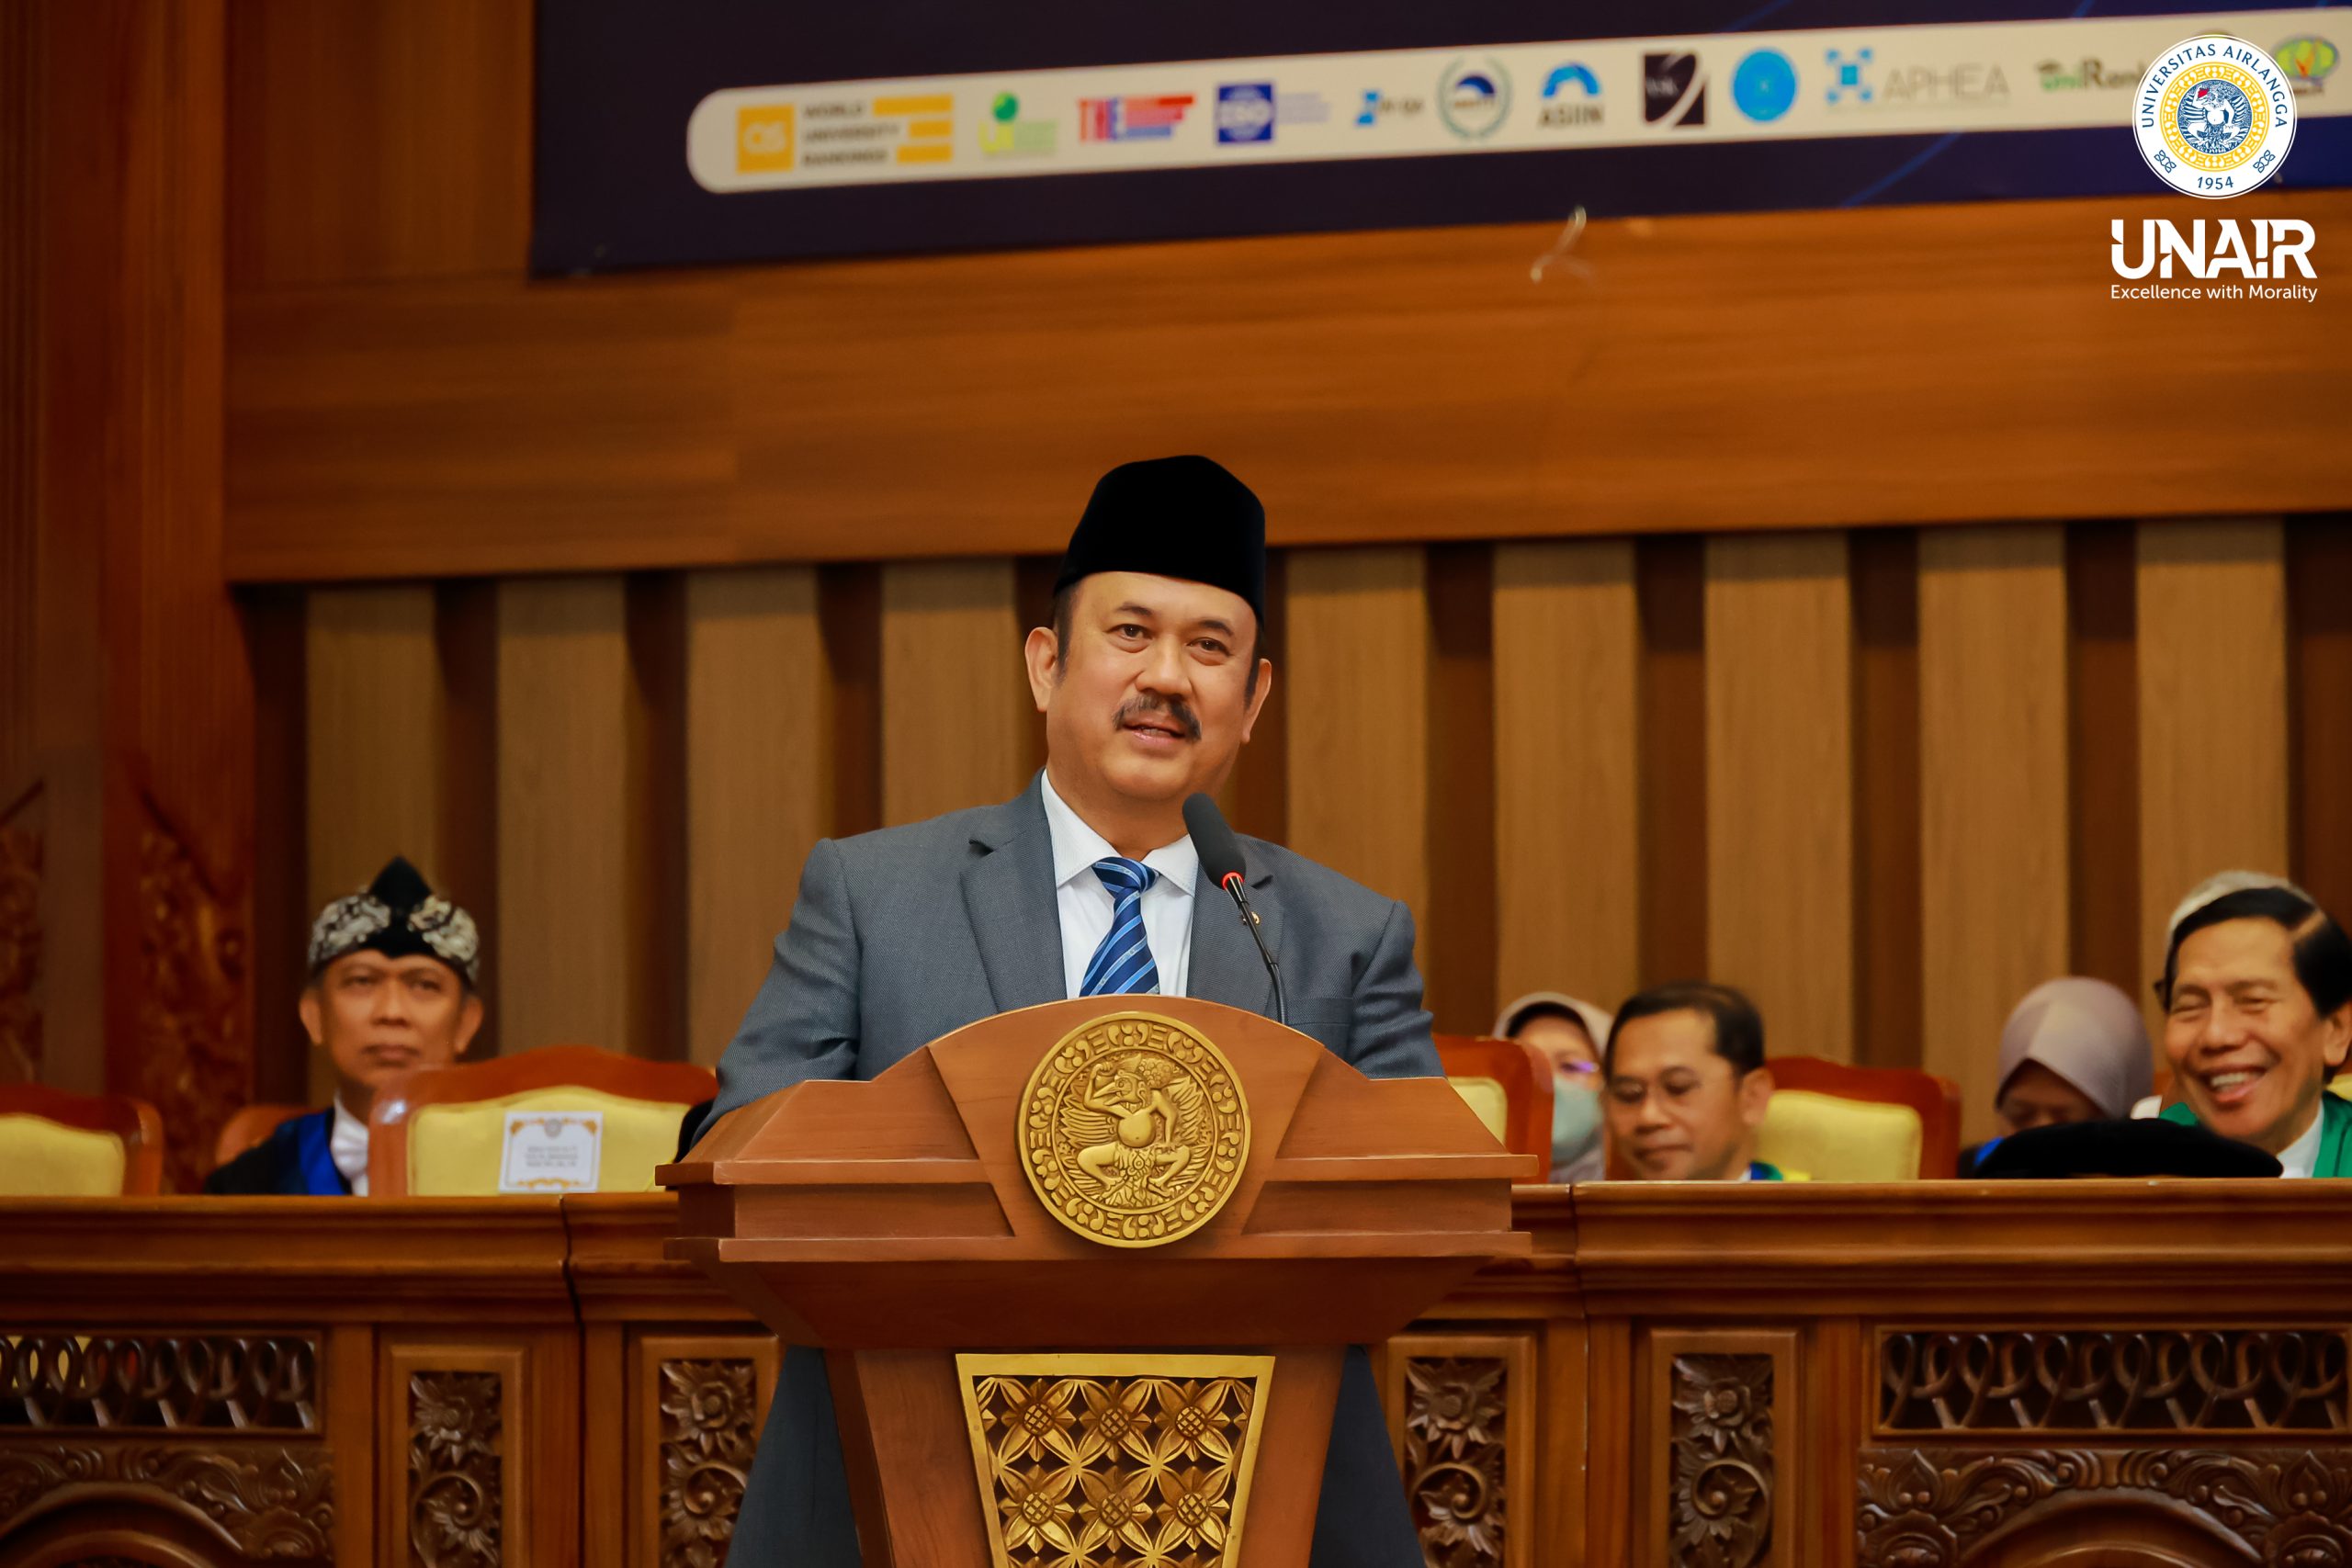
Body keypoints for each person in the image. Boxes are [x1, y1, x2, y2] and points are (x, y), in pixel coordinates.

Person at [702, 455, 1438, 1568]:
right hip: (903, 1482)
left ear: (1254, 699)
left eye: (1209, 647)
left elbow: (1423, 1197)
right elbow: (737, 1147)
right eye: (1130, 634)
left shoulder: (1340, 933)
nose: (1168, 678)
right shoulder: (872, 894)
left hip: (1258, 1502)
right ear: (1047, 665)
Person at [205, 856, 482, 1195]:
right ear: (314, 1015)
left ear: (465, 1023)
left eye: (424, 985)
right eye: (362, 981)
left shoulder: (515, 1171)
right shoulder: (248, 1185)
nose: (392, 1012)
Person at [2155, 884, 2352, 1177]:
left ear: (2335, 1030)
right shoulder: (2136, 1171)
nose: (2216, 1035)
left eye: (2253, 1001)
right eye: (2190, 1006)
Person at [1959, 978, 2153, 1174]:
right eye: (2021, 1117)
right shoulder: (1969, 1180)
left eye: (2066, 1125)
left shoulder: (2160, 1192)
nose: (2039, 1141)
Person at [1601, 982, 1788, 1181]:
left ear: (1752, 1097)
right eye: (1628, 1094)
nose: (1649, 1117)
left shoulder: (1808, 1211)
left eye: (1678, 1087)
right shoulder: (1589, 1212)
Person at [1494, 990, 1611, 1181]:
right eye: (1529, 1066)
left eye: (1570, 1066)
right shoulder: (1476, 1195)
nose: (1547, 1082)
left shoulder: (1637, 1188)